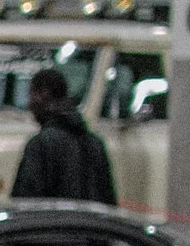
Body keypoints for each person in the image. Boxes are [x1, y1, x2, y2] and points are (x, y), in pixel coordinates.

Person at [13, 66, 118, 206]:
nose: (29, 104)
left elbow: (25, 202)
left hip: (54, 225)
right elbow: (108, 202)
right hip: (88, 226)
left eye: (32, 95)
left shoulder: (40, 144)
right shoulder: (95, 143)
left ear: (44, 93)